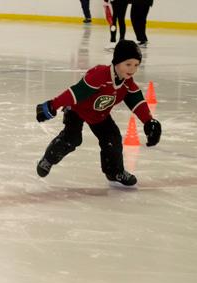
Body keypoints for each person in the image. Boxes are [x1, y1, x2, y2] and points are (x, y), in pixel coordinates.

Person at [35, 40, 161, 187]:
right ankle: (48, 159)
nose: (132, 69)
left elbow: (137, 101)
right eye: (128, 64)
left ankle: (114, 172)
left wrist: (148, 121)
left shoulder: (127, 83)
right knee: (72, 138)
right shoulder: (100, 75)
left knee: (112, 138)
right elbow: (75, 93)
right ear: (116, 62)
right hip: (77, 110)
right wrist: (53, 105)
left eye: (136, 65)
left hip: (99, 115)